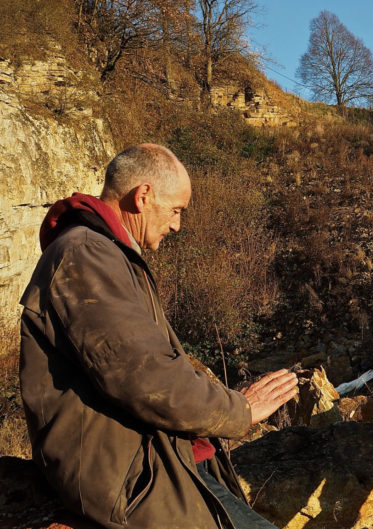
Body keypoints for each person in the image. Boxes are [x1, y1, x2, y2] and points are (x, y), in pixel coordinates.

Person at [19, 144, 298, 529]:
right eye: (176, 210)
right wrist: (240, 411)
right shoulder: (86, 255)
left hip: (156, 465)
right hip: (135, 481)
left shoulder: (107, 255)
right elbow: (145, 376)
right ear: (143, 196)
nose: (177, 225)